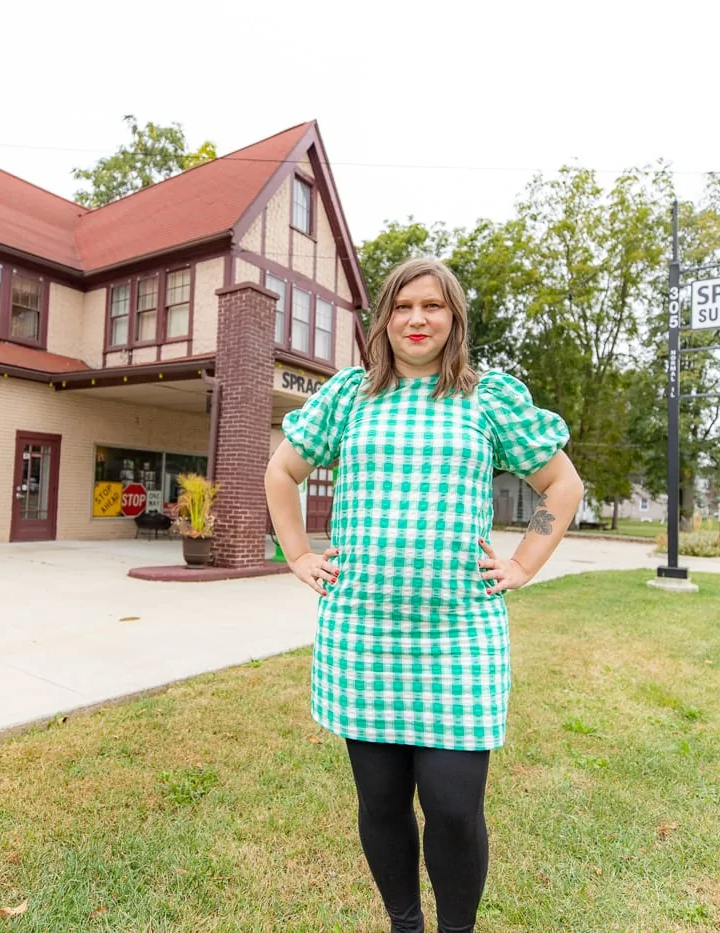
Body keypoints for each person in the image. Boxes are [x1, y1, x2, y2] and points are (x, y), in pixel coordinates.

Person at [265, 257, 583, 933]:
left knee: (454, 807)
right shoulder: (349, 396)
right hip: (362, 635)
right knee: (380, 802)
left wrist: (525, 561)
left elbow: (562, 485)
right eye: (403, 305)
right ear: (383, 317)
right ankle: (405, 923)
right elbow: (281, 471)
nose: (417, 319)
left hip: (459, 637)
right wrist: (297, 552)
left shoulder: (486, 398)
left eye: (433, 306)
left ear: (454, 319)